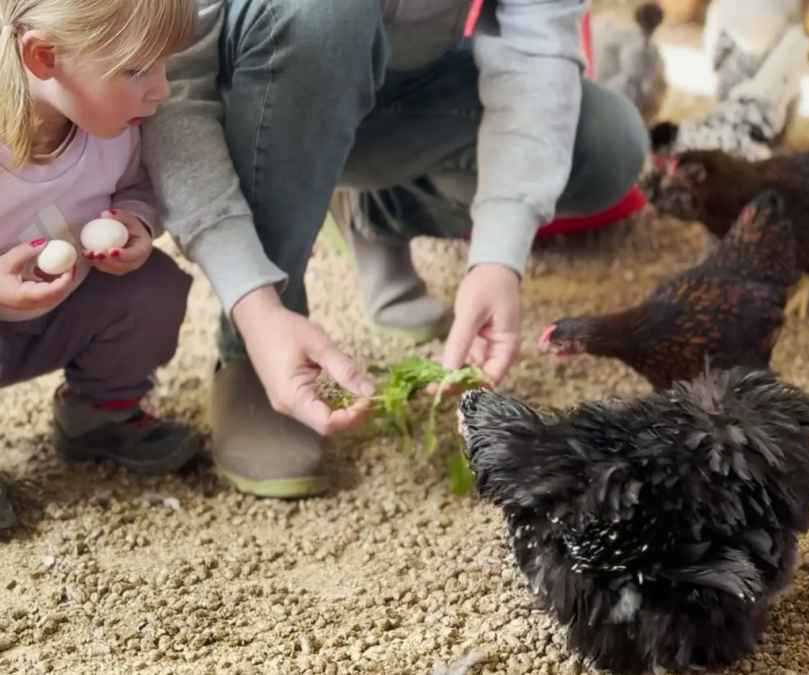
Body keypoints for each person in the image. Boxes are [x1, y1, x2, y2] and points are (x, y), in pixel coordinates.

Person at [141, 0, 650, 499]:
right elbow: (175, 84)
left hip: (398, 86)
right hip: (263, 87)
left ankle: (376, 212)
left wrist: (499, 254)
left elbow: (536, 53)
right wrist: (253, 303)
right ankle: (255, 349)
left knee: (603, 145)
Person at [0, 0, 202, 504]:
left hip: (66, 307)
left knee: (152, 286)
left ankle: (99, 416)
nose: (161, 89)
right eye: (135, 69)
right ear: (46, 57)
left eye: (163, 65)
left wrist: (134, 221)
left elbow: (135, 187)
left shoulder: (114, 132)